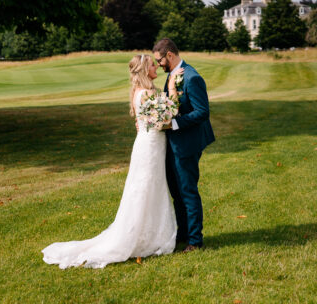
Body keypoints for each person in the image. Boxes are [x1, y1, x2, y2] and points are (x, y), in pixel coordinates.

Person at [42, 54, 180, 269]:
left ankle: (153, 235)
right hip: (149, 147)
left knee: (153, 189)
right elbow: (170, 111)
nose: (156, 68)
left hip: (151, 144)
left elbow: (151, 119)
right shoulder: (144, 94)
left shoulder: (143, 92)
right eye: (153, 65)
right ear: (144, 70)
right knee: (144, 190)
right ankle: (140, 238)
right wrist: (171, 87)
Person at [153, 38, 215, 252]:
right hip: (173, 143)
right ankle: (182, 233)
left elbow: (202, 112)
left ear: (169, 55)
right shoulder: (171, 76)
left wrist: (175, 123)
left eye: (159, 60)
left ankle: (195, 241)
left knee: (187, 191)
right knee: (176, 191)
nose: (158, 64)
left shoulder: (192, 77)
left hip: (187, 143)